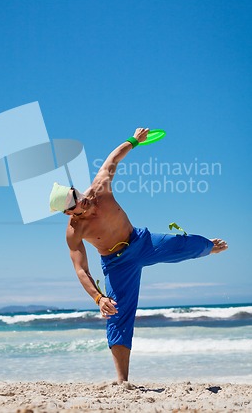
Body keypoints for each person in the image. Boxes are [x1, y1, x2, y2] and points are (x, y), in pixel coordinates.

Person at [49, 128, 228, 383]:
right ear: (68, 212)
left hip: (141, 241)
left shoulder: (98, 191)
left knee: (186, 245)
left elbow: (112, 160)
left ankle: (208, 247)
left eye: (76, 194)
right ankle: (123, 382)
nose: (80, 200)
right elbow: (81, 269)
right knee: (117, 313)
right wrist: (98, 298)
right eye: (73, 202)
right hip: (117, 263)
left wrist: (134, 140)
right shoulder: (74, 232)